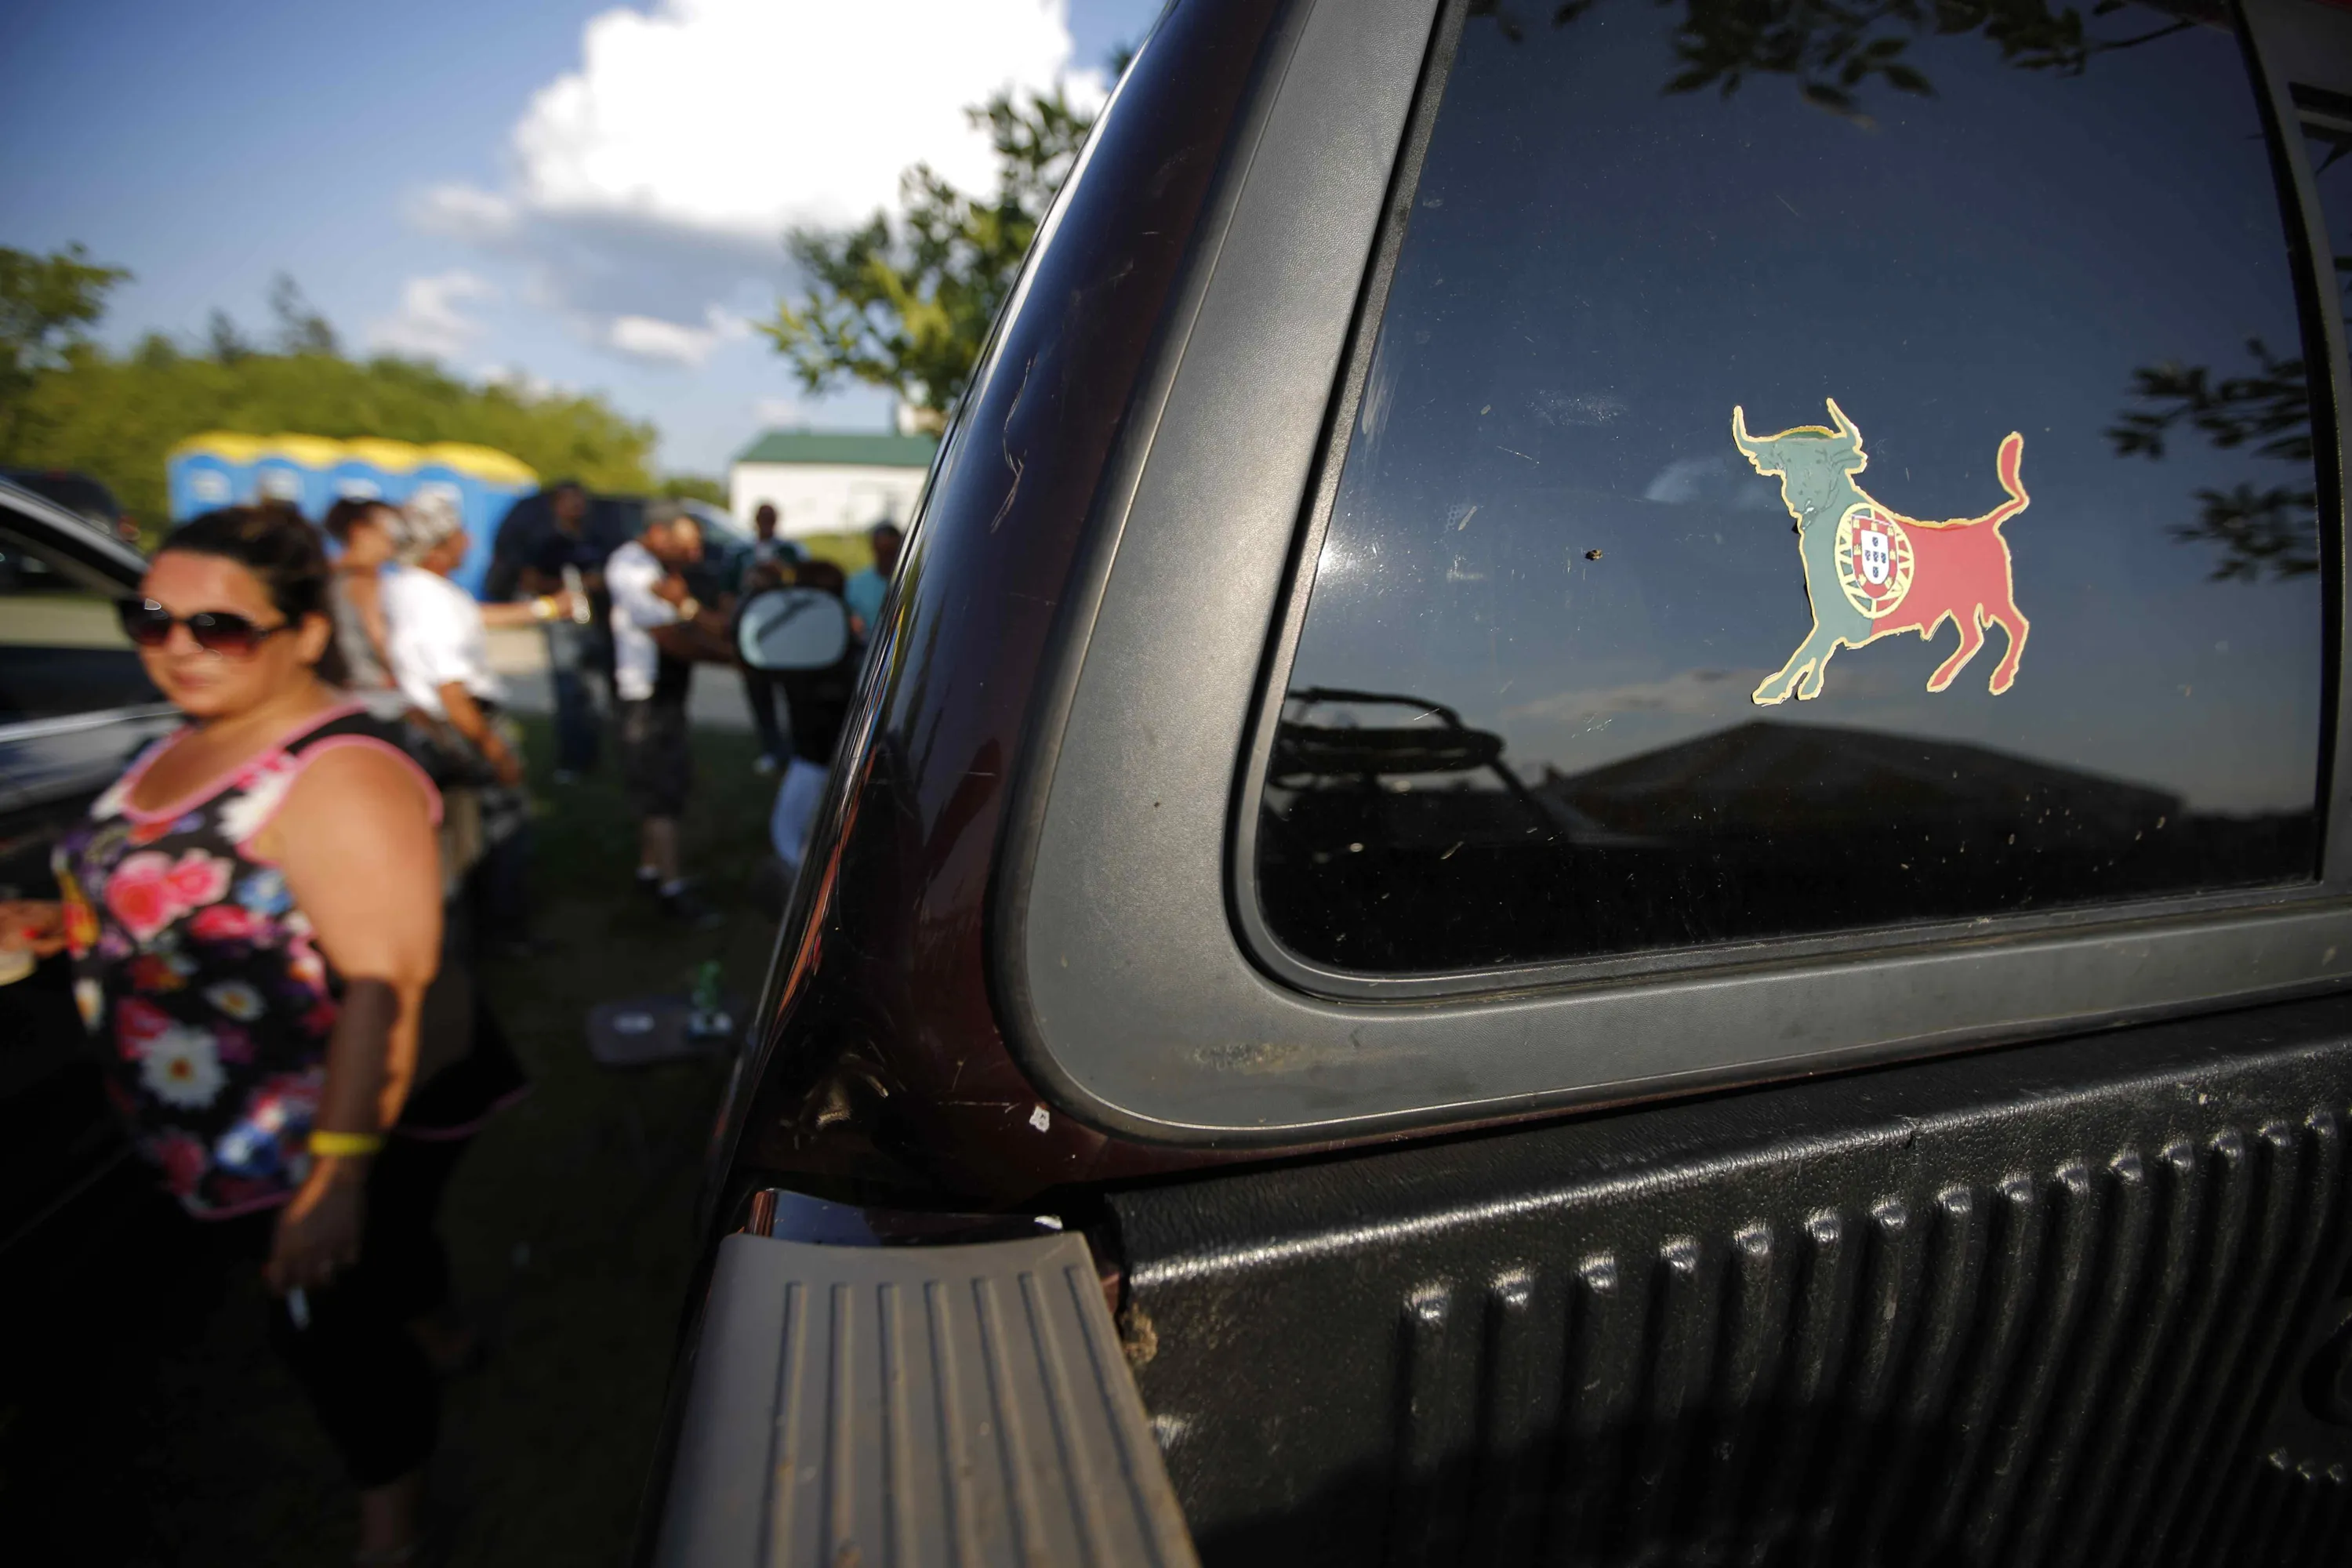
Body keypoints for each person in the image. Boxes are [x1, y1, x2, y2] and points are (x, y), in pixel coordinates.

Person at [0, 506, 516, 1563]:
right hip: (218, 1114)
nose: (177, 647)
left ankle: (392, 1526)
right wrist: (64, 922)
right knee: (385, 1264)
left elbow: (385, 984)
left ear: (306, 633)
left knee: (330, 1324)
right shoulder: (183, 736)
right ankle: (441, 1330)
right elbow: (205, 889)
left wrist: (336, 1173)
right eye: (149, 618)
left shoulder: (339, 772)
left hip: (316, 1122)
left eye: (219, 627)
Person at [381, 492, 572, 953]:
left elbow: (472, 616)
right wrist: (493, 748)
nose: (468, 541)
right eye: (458, 535)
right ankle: (499, 931)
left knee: (462, 829)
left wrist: (547, 608)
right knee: (500, 826)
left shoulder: (411, 586)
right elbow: (451, 688)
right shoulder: (430, 600)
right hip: (459, 722)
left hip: (438, 721)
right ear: (436, 548)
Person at [606, 502, 736, 927]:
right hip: (646, 698)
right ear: (659, 534)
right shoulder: (632, 568)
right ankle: (672, 889)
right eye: (688, 544)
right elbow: (670, 636)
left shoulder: (658, 569)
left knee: (661, 785)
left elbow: (688, 619)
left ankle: (650, 871)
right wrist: (732, 660)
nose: (695, 554)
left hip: (664, 695)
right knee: (660, 790)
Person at [768, 560, 862, 878]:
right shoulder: (844, 637)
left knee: (793, 844)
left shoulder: (806, 642)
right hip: (829, 759)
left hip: (815, 761)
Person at [513, 481, 606, 782]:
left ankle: (590, 757)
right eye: (570, 501)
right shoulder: (546, 541)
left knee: (593, 692)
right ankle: (570, 761)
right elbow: (530, 582)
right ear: (557, 505)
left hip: (594, 621)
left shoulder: (593, 538)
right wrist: (567, 591)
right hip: (564, 625)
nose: (577, 507)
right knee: (569, 690)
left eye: (580, 500)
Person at [321, 498, 408, 722]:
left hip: (334, 695)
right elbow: (381, 641)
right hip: (377, 698)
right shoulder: (364, 580)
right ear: (359, 531)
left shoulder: (325, 574)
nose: (395, 537)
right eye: (389, 527)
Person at [736, 503, 792, 773]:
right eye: (762, 518)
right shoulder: (740, 552)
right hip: (752, 631)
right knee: (759, 693)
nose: (766, 523)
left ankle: (794, 749)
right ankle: (771, 749)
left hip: (784, 631)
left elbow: (803, 583)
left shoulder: (790, 551)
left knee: (792, 694)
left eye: (771, 518)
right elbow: (726, 591)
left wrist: (781, 573)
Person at [843, 519, 902, 641]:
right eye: (883, 551)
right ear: (874, 548)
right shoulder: (854, 585)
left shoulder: (914, 583)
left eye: (891, 551)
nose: (887, 558)